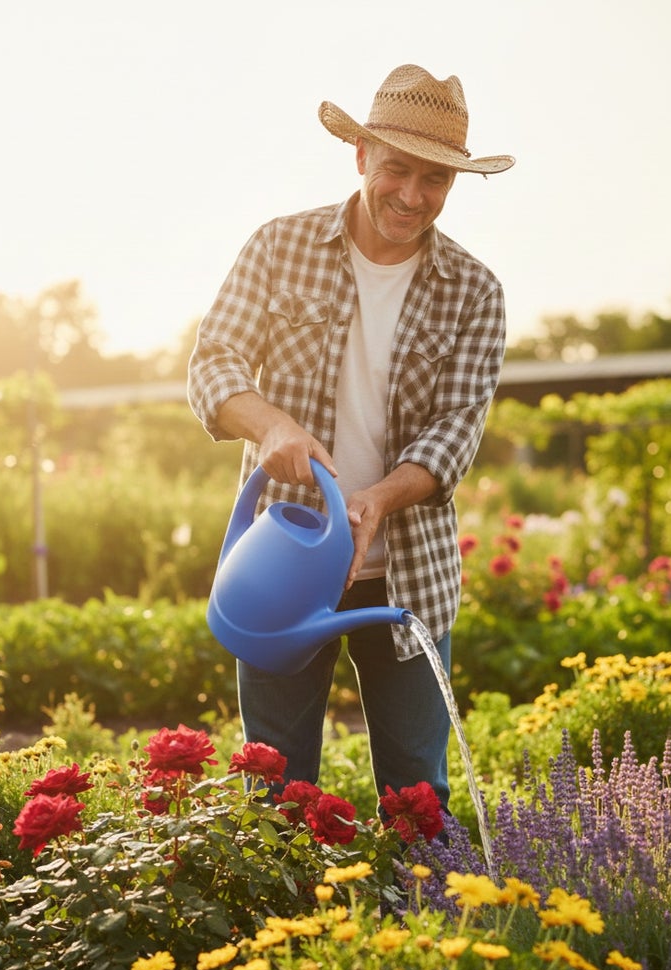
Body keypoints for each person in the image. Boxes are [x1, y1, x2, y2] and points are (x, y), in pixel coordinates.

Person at [188, 63, 514, 815]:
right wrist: (270, 423)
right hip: (285, 565)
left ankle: (416, 930)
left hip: (409, 578)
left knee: (416, 797)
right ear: (361, 155)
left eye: (435, 179)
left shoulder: (476, 291)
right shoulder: (280, 246)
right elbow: (214, 363)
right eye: (397, 168)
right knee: (272, 791)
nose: (411, 195)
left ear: (453, 185)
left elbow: (456, 431)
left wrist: (374, 500)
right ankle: (287, 933)